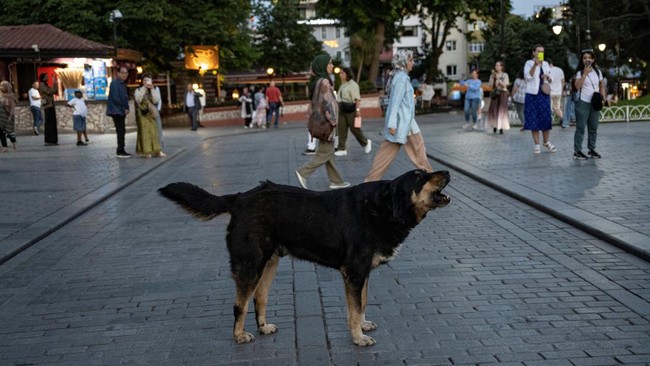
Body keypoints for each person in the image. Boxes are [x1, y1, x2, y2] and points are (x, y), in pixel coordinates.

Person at [364, 49, 433, 182]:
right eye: (410, 60)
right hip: (403, 125)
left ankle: (369, 183)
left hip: (406, 124)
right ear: (403, 62)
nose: (412, 63)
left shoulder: (400, 77)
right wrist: (392, 124)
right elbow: (394, 103)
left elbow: (400, 101)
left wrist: (410, 101)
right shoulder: (401, 79)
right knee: (419, 155)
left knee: (385, 157)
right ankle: (432, 182)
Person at [295, 54, 350, 190]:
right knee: (324, 153)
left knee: (329, 153)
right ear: (322, 66)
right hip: (327, 124)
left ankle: (336, 181)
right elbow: (328, 104)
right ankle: (303, 172)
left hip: (322, 123)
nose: (332, 66)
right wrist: (334, 122)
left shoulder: (317, 81)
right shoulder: (324, 82)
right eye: (329, 63)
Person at [523, 44, 556, 154]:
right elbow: (528, 77)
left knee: (545, 117)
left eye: (542, 51)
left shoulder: (546, 64)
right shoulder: (529, 63)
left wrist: (547, 77)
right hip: (532, 94)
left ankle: (546, 142)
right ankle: (536, 144)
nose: (540, 53)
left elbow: (551, 79)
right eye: (538, 51)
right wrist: (535, 65)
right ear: (533, 52)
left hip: (544, 94)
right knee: (534, 119)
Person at [573, 49, 605, 160]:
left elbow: (601, 85)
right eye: (585, 58)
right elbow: (577, 86)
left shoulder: (597, 72)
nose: (587, 60)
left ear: (593, 59)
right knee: (580, 128)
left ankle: (591, 149)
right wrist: (584, 74)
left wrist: (602, 97)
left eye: (589, 58)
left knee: (593, 128)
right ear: (582, 60)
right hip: (583, 103)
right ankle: (577, 151)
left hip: (594, 103)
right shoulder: (580, 72)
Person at [335, 67, 371, 156]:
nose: (340, 75)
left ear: (347, 74)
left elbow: (357, 99)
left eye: (343, 73)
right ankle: (342, 148)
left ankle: (366, 142)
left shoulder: (353, 85)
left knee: (354, 129)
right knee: (341, 128)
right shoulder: (342, 84)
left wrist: (358, 110)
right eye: (340, 73)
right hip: (341, 109)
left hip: (350, 109)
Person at [134, 75, 165, 158]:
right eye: (145, 80)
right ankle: (147, 151)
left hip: (151, 113)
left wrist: (152, 89)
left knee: (155, 132)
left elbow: (156, 100)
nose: (146, 82)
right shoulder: (138, 90)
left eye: (148, 80)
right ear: (142, 81)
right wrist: (144, 88)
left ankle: (157, 150)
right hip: (143, 113)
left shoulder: (153, 89)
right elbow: (138, 99)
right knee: (145, 132)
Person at [106, 66, 131, 158]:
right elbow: (116, 98)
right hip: (116, 111)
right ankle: (120, 151)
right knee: (120, 130)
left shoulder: (122, 84)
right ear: (118, 73)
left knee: (122, 130)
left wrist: (127, 107)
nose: (125, 75)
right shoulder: (115, 83)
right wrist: (124, 108)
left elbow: (124, 97)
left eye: (126, 73)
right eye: (123, 73)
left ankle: (121, 149)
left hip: (120, 111)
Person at [487, 60, 510, 134]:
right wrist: (492, 78)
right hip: (495, 94)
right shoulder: (492, 75)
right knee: (494, 110)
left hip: (502, 93)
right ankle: (494, 126)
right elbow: (490, 85)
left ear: (501, 67)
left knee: (501, 111)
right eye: (495, 65)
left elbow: (505, 85)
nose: (496, 67)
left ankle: (501, 127)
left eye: (497, 65)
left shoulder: (505, 75)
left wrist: (497, 78)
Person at [39, 73, 59, 145]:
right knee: (49, 123)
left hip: (51, 104)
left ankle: (53, 139)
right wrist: (54, 83)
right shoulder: (42, 85)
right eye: (46, 76)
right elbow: (49, 91)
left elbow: (54, 91)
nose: (47, 77)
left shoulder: (45, 84)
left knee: (52, 123)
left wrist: (55, 84)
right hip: (48, 105)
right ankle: (49, 139)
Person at [0, 81, 18, 151]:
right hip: (1, 118)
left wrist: (10, 116)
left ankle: (13, 142)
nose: (1, 88)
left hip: (8, 116)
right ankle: (4, 146)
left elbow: (12, 108)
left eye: (3, 86)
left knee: (10, 132)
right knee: (1, 131)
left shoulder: (11, 97)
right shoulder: (1, 95)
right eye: (0, 86)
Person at [548, 58, 565, 123]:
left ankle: (549, 121)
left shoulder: (547, 70)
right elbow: (563, 81)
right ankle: (562, 118)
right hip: (558, 92)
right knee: (557, 108)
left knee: (548, 108)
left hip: (550, 92)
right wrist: (562, 90)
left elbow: (548, 81)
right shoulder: (560, 70)